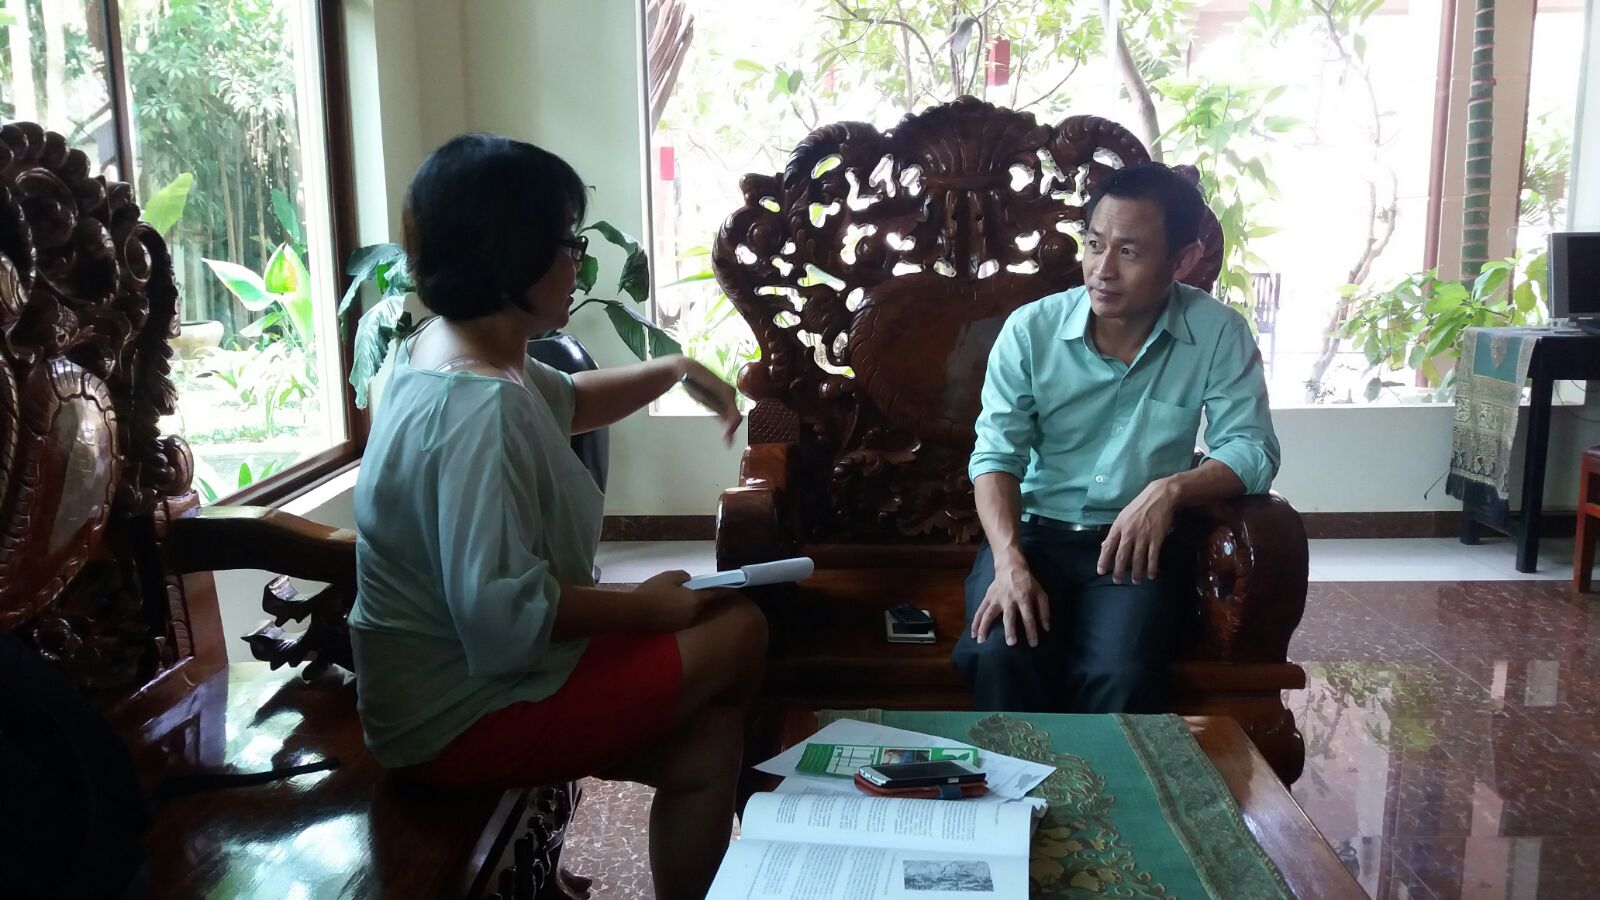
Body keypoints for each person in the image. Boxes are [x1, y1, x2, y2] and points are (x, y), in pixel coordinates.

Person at [349, 133, 767, 900]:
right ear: (513, 256)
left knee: (710, 741)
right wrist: (640, 609)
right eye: (567, 242)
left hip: (445, 685)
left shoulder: (445, 347)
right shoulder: (480, 406)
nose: (579, 260)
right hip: (456, 712)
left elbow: (569, 401)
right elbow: (499, 614)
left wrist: (678, 369)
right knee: (740, 628)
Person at [951, 162, 1280, 714]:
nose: (1102, 269)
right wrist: (1008, 563)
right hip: (1032, 536)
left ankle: (1108, 798)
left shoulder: (1218, 332)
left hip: (1135, 546)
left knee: (1120, 672)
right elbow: (995, 456)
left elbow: (1252, 447)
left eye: (1129, 252)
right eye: (1094, 243)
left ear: (1183, 260)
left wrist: (1169, 491)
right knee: (998, 654)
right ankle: (1013, 798)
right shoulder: (1031, 331)